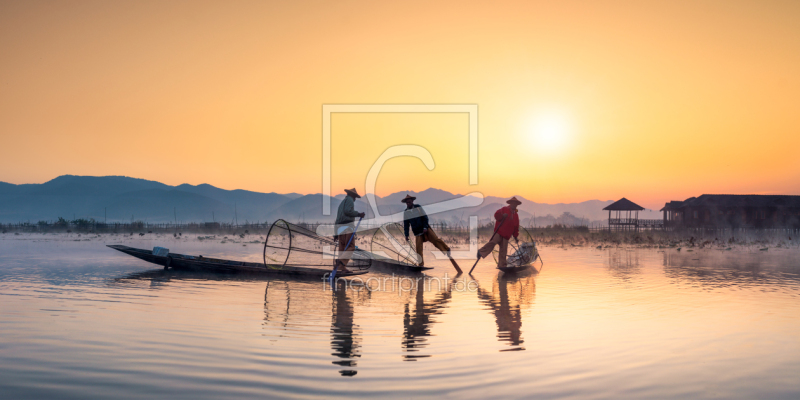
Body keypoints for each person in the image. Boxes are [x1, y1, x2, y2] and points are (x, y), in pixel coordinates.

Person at [402, 194, 461, 272]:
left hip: (425, 229)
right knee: (418, 249)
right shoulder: (406, 212)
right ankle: (421, 264)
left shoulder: (418, 208)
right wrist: (406, 235)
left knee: (435, 240)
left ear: (412, 201)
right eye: (407, 203)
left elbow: (425, 218)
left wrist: (425, 227)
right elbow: (406, 224)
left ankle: (446, 249)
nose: (408, 204)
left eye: (409, 202)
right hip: (417, 232)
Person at [477, 197, 521, 269]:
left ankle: (502, 265)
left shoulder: (516, 215)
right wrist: (502, 216)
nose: (514, 205)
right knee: (493, 242)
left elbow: (516, 227)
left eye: (516, 204)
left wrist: (515, 236)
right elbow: (496, 215)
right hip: (499, 232)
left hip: (507, 236)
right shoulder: (504, 209)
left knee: (503, 251)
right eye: (513, 203)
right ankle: (481, 252)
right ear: (510, 203)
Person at [334, 188, 365, 273]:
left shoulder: (342, 203)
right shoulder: (350, 200)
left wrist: (335, 234)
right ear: (352, 195)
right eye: (355, 197)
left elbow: (337, 219)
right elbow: (348, 211)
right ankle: (341, 261)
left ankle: (341, 268)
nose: (355, 199)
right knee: (351, 246)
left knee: (342, 248)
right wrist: (359, 214)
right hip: (347, 227)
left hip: (340, 228)